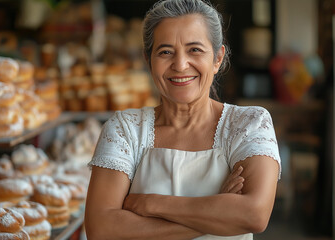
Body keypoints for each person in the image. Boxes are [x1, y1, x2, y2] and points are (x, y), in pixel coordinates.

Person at [85, 0, 281, 239]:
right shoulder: (124, 129)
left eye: (195, 50)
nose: (180, 64)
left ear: (217, 58)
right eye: (165, 52)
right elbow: (101, 229)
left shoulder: (249, 123)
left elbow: (254, 215)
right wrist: (218, 211)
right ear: (148, 61)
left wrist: (151, 204)